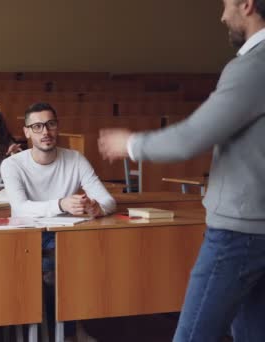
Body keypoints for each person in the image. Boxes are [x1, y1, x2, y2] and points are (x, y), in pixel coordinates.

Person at [98, 1, 265, 340]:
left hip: (238, 232)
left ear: (247, 5)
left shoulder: (251, 67)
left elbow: (192, 137)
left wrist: (131, 144)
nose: (221, 16)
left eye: (226, 5)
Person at [1, 102, 116, 342]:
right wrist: (61, 204)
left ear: (57, 127)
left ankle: (74, 330)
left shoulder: (75, 159)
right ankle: (68, 331)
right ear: (27, 132)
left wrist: (97, 208)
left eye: (51, 124)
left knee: (93, 258)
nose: (46, 132)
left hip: (66, 237)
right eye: (38, 126)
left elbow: (108, 200)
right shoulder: (13, 164)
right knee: (59, 265)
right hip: (27, 237)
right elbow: (21, 208)